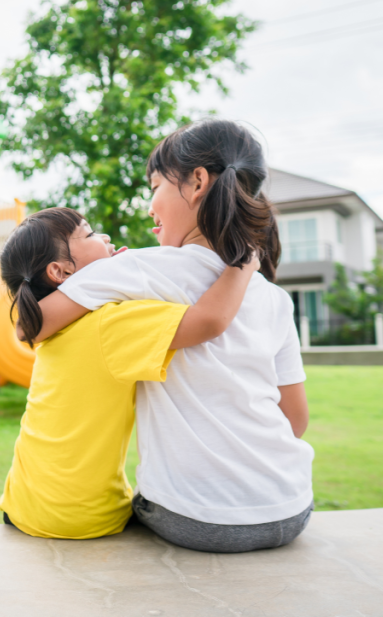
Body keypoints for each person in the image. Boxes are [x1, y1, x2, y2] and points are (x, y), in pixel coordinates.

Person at [33, 120, 313, 553]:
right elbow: (295, 422)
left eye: (155, 186)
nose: (150, 206)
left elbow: (35, 324)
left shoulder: (138, 269)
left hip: (198, 518)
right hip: (291, 507)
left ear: (197, 181)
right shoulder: (274, 298)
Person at [0, 207, 258, 539]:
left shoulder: (56, 328)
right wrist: (245, 262)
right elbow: (209, 321)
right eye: (90, 234)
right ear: (60, 271)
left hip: (22, 503)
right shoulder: (110, 324)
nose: (104, 237)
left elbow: (25, 327)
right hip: (80, 516)